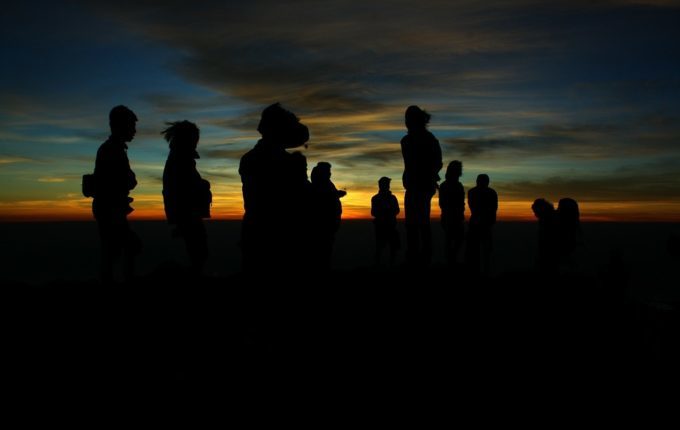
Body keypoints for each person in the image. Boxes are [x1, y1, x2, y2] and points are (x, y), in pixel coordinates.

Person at [239, 103, 311, 273]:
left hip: (260, 234)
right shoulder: (277, 161)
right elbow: (293, 198)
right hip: (276, 236)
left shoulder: (251, 157)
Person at [92, 105, 141, 284]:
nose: (135, 131)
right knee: (123, 248)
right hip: (110, 210)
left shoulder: (113, 149)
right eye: (132, 126)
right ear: (121, 126)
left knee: (117, 249)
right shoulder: (112, 150)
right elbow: (125, 180)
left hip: (110, 209)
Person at [162, 120, 211, 276]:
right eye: (194, 139)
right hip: (188, 214)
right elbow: (182, 189)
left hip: (186, 214)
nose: (196, 143)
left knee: (197, 250)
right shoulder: (180, 159)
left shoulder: (181, 158)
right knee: (199, 251)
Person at [400, 105, 442, 266]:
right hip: (416, 186)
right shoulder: (410, 140)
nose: (406, 122)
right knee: (416, 223)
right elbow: (436, 163)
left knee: (418, 223)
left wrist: (427, 175)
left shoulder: (420, 140)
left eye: (408, 119)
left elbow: (436, 163)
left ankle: (420, 257)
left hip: (421, 187)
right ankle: (417, 256)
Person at [310, 162, 346, 271]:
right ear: (323, 172)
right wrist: (336, 194)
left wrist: (337, 194)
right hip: (324, 225)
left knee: (325, 249)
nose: (330, 174)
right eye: (328, 171)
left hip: (329, 224)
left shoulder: (325, 183)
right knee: (323, 250)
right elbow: (324, 198)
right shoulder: (321, 184)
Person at [465, 174, 498, 276]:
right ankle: (484, 271)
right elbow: (494, 209)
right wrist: (491, 220)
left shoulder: (472, 192)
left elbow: (473, 207)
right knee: (484, 250)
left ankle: (478, 271)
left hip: (476, 223)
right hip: (484, 224)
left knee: (477, 250)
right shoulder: (492, 193)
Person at [439, 160, 465, 266]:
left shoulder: (454, 185)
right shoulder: (449, 185)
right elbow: (443, 203)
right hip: (450, 216)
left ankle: (451, 259)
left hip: (454, 216)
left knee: (453, 239)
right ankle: (451, 260)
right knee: (452, 239)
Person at [371, 177, 401, 267]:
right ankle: (380, 264)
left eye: (387, 184)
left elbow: (397, 210)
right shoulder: (376, 198)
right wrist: (387, 213)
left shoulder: (390, 198)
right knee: (381, 246)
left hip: (389, 225)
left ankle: (389, 264)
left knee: (391, 246)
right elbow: (373, 212)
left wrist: (386, 213)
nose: (387, 186)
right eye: (386, 184)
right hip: (383, 226)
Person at [531, 198, 558, 274]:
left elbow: (546, 239)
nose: (535, 214)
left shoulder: (547, 219)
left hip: (550, 254)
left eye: (535, 211)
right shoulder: (548, 217)